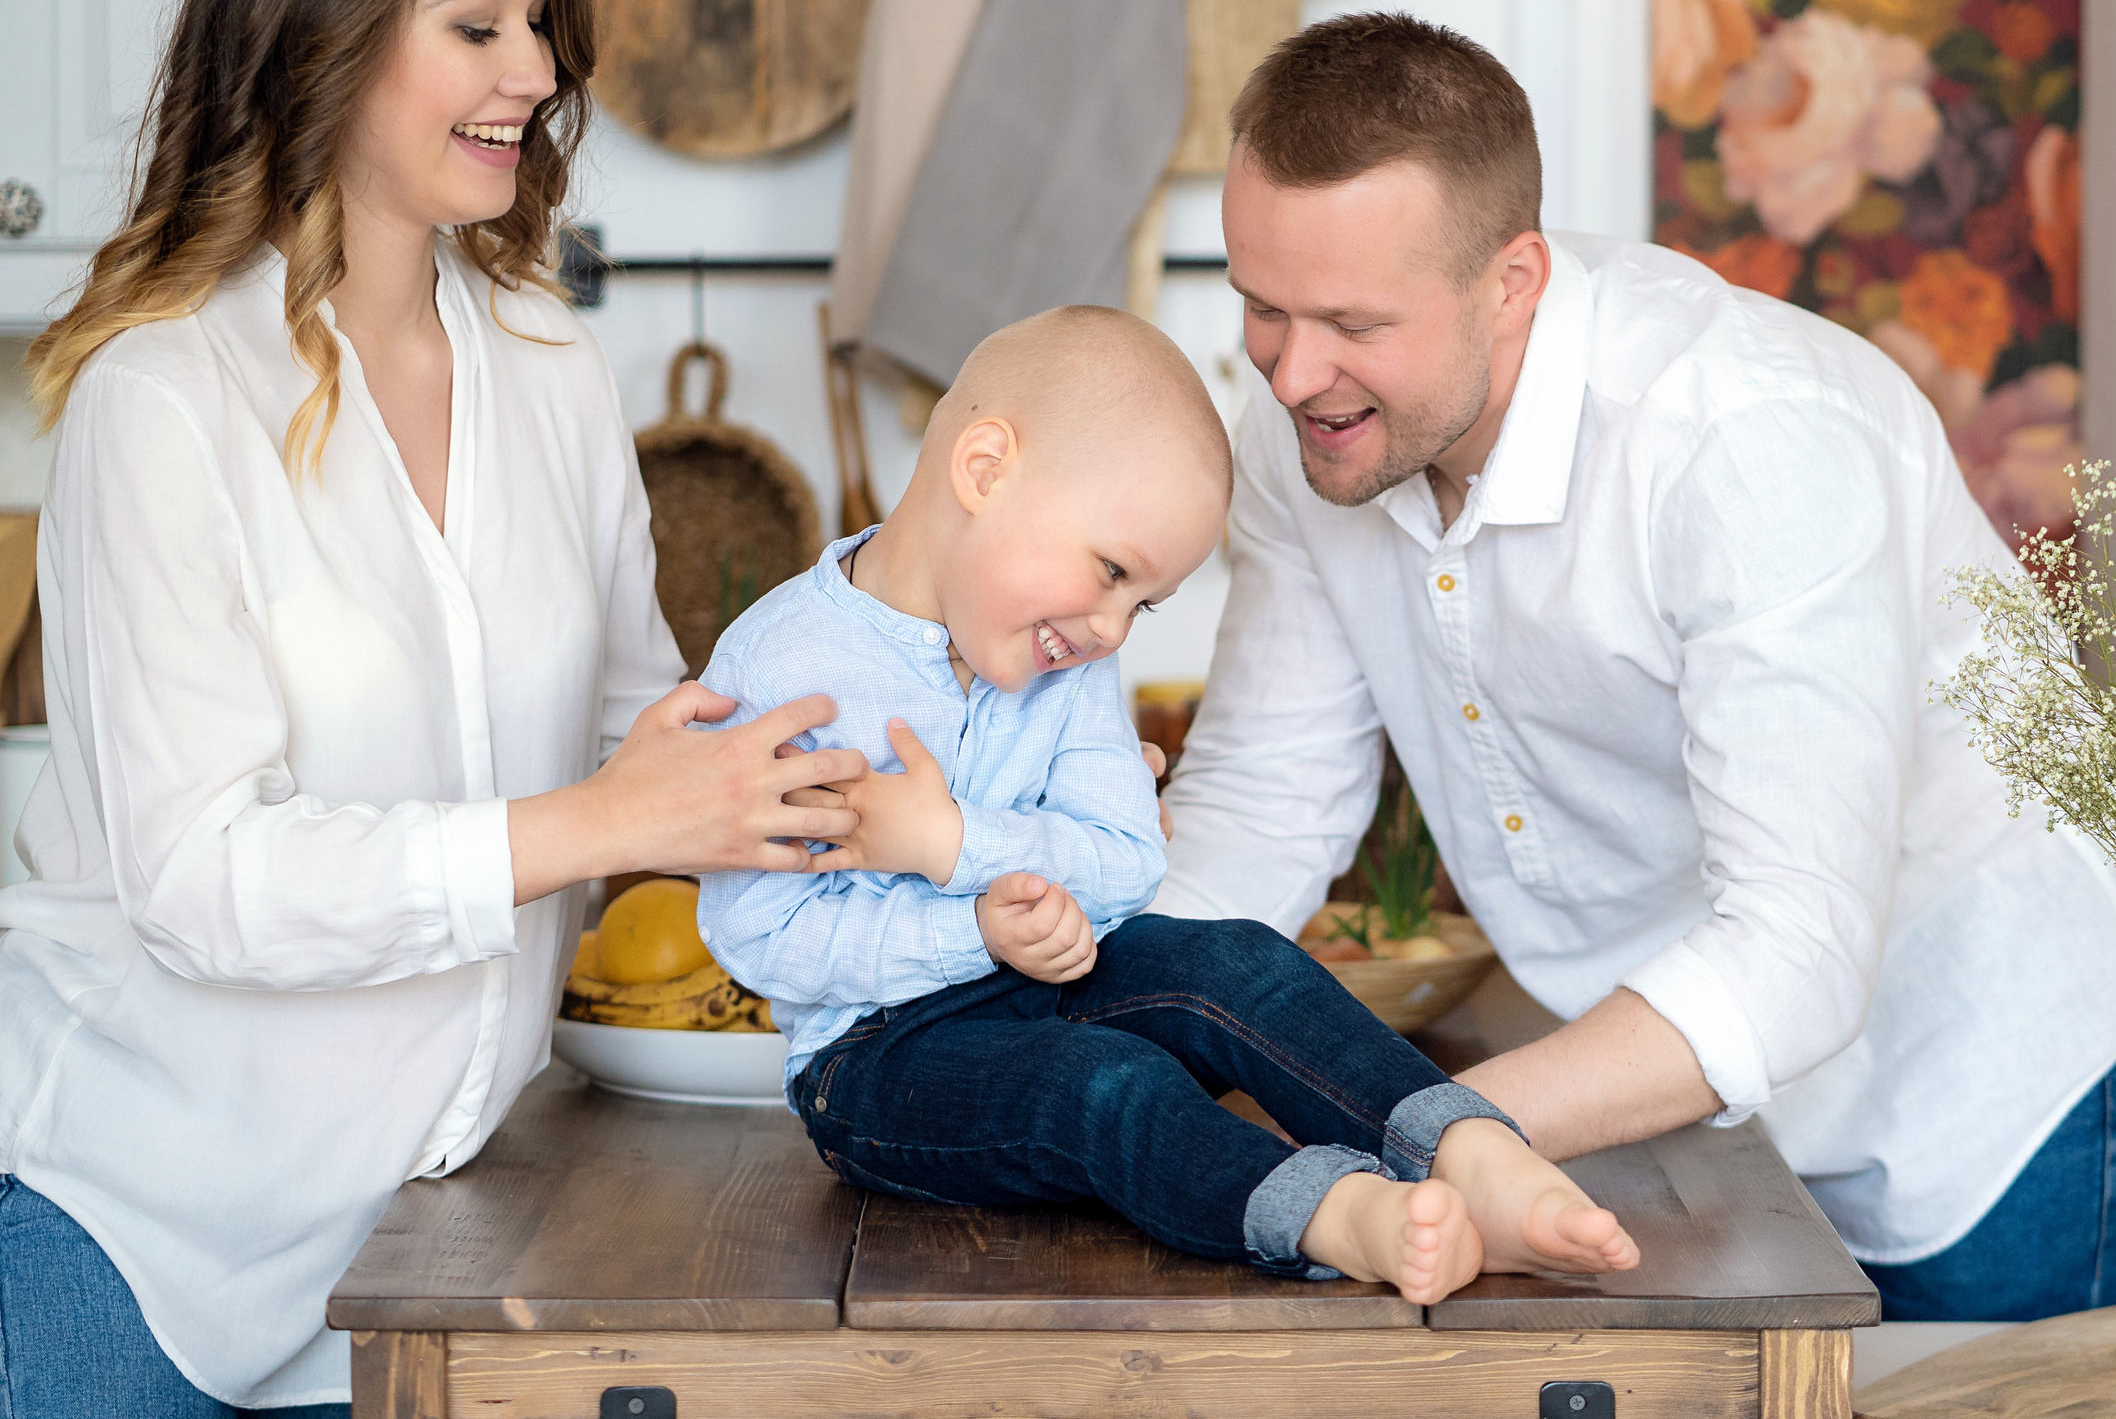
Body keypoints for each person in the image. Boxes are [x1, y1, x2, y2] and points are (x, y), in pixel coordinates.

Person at [0, 0, 876, 1419]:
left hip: (420, 1222)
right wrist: (605, 819)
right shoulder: (162, 399)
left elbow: (644, 716)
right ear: (319, 34)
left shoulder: (547, 361)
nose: (536, 70)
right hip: (135, 1211)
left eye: (541, 25)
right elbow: (199, 875)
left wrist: (911, 744)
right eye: (479, 22)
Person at [1154, 13, 2116, 1324]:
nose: (1291, 373)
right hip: (1709, 1117)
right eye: (1259, 306)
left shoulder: (1744, 440)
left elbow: (1795, 952)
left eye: (1351, 320)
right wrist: (1058, 1039)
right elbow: (1261, 809)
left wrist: (1413, 1127)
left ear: (1512, 279)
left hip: (2005, 1108)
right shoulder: (1311, 423)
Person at [695, 306, 1642, 1303]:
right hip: (874, 1057)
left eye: (1139, 603)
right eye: (1110, 571)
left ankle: (1471, 1150)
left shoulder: (1067, 657)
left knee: (1235, 958)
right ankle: (1335, 1216)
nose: (1111, 629)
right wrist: (975, 925)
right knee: (1098, 1082)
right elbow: (760, 936)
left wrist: (954, 840)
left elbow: (1125, 861)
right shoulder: (781, 671)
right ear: (984, 471)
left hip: (1054, 980)